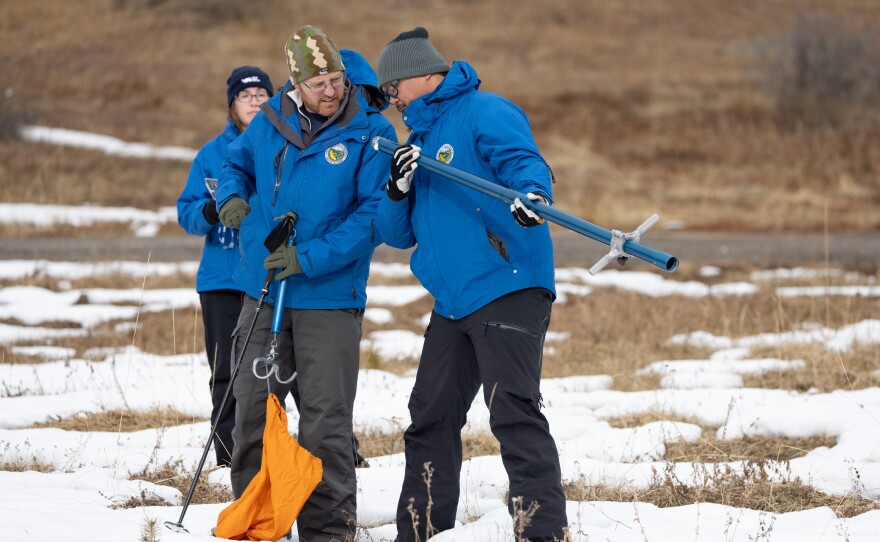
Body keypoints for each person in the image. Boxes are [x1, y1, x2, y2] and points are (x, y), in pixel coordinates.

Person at [375, 27, 569, 542]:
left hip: (505, 281)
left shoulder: (484, 110)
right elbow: (396, 235)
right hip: (452, 300)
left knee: (512, 411)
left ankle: (541, 532)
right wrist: (396, 189)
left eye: (392, 87)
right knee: (429, 417)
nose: (389, 98)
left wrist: (533, 196)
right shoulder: (414, 142)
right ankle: (420, 531)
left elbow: (524, 163)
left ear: (421, 75)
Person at [215, 25, 396, 542]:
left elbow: (372, 217)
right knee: (251, 410)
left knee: (325, 423)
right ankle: (255, 521)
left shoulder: (371, 132)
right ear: (296, 84)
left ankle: (327, 532)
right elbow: (234, 163)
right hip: (264, 288)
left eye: (337, 80)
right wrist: (232, 197)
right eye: (318, 84)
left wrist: (308, 258)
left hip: (328, 297)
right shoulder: (271, 119)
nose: (331, 92)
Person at [176, 65, 274, 467]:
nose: (254, 102)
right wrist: (213, 209)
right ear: (232, 104)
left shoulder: (281, 144)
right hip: (220, 280)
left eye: (262, 95)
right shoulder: (210, 155)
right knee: (225, 372)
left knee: (279, 367)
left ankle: (287, 449)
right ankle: (228, 456)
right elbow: (187, 214)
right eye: (245, 96)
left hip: (267, 275)